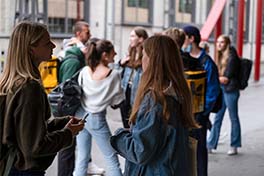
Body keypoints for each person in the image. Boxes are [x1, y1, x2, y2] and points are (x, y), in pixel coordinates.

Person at [0, 21, 84, 176]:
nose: (53, 45)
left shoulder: (10, 83)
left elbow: (23, 130)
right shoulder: (30, 88)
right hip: (24, 171)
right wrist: (68, 133)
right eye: (47, 43)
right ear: (31, 49)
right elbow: (35, 147)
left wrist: (62, 122)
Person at [110, 35, 199, 176]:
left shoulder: (155, 99)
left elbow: (140, 151)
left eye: (144, 54)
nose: (142, 59)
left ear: (153, 60)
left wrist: (118, 136)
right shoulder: (178, 91)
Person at [57, 21, 105, 176]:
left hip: (71, 110)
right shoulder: (73, 61)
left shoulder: (76, 56)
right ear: (78, 34)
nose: (89, 34)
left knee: (75, 147)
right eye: (87, 32)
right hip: (66, 110)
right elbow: (67, 90)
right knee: (67, 151)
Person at [73, 39, 124, 176]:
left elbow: (80, 90)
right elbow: (117, 101)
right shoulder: (114, 75)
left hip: (80, 116)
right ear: (104, 55)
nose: (116, 54)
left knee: (82, 157)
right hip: (96, 118)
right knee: (111, 158)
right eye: (113, 52)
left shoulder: (85, 70)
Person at [182, 25, 220, 176]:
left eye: (184, 36)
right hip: (184, 113)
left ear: (191, 38)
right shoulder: (183, 58)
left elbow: (213, 90)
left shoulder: (207, 62)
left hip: (198, 114)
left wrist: (203, 113)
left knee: (198, 151)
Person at [207, 34, 241, 155]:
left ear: (226, 44)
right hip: (222, 90)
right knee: (217, 118)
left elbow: (225, 78)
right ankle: (210, 144)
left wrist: (213, 76)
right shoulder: (220, 57)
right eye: (217, 42)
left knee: (233, 118)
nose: (218, 44)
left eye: (221, 42)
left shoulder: (232, 58)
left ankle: (234, 145)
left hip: (231, 90)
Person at [119, 26, 148, 128]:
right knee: (125, 121)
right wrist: (121, 63)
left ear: (140, 39)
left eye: (132, 36)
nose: (130, 38)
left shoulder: (147, 54)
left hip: (137, 92)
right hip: (126, 90)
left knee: (135, 121)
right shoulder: (130, 52)